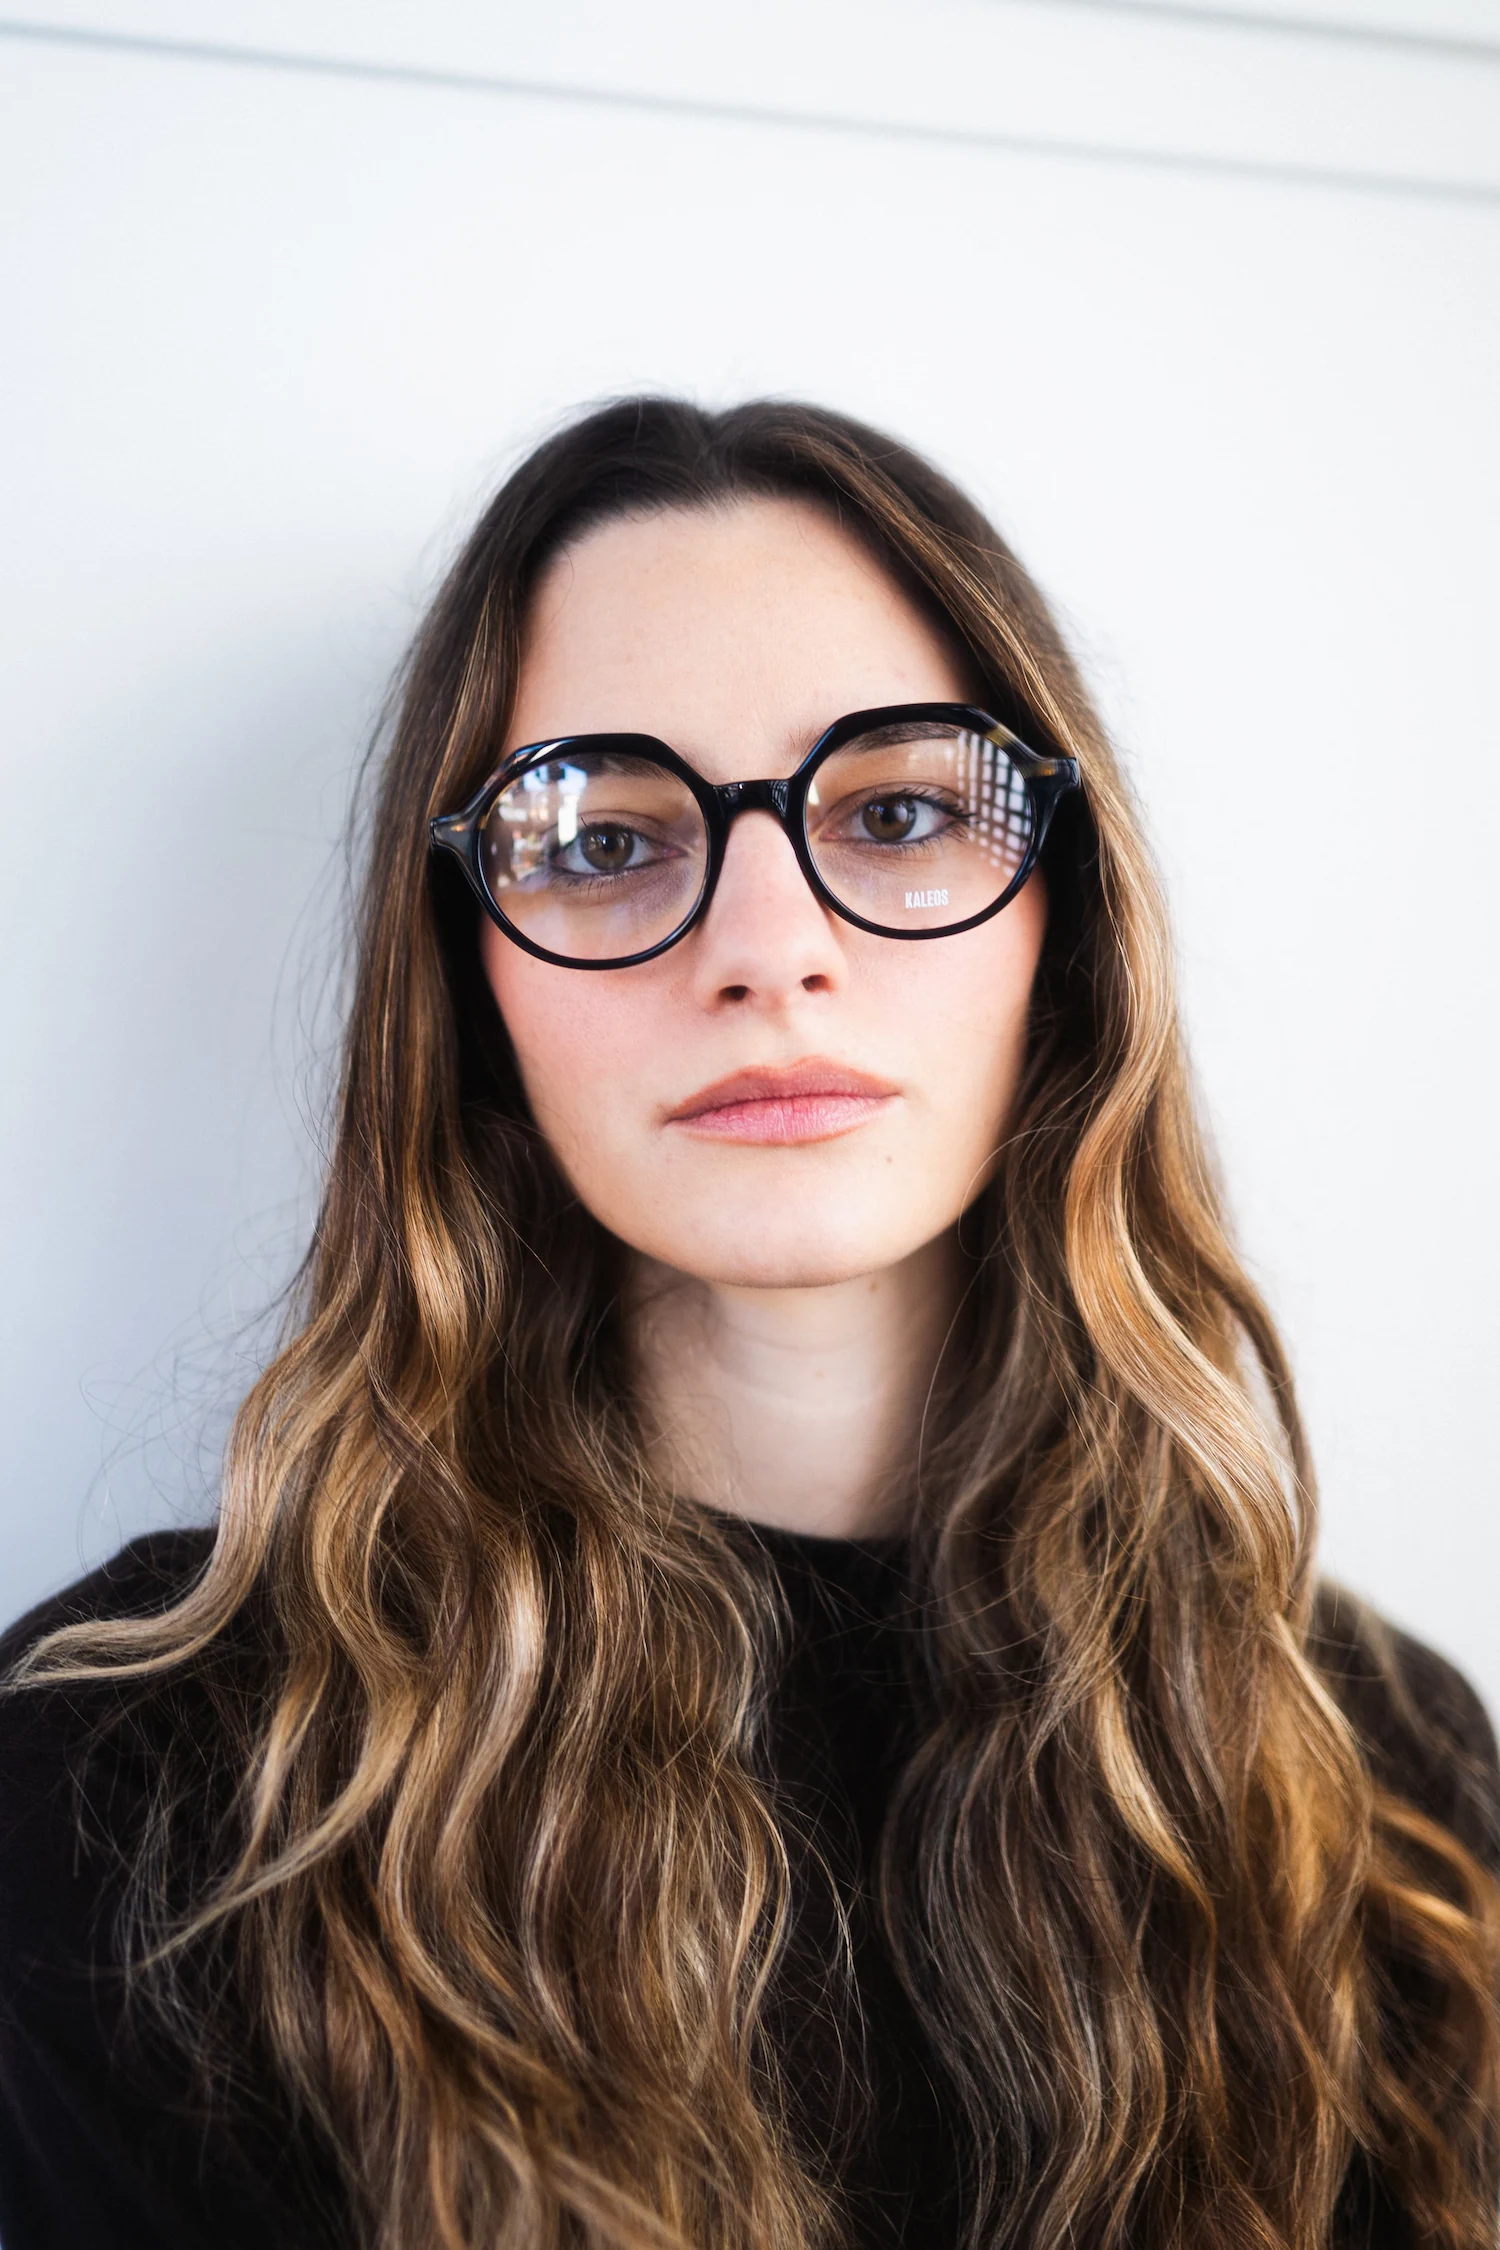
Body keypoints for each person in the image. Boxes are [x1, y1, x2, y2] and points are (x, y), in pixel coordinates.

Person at [1, 397, 1497, 2250]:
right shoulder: (139, 1785)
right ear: (472, 983)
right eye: (606, 837)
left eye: (898, 813)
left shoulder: (1385, 1771)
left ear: (1067, 927)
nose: (768, 946)